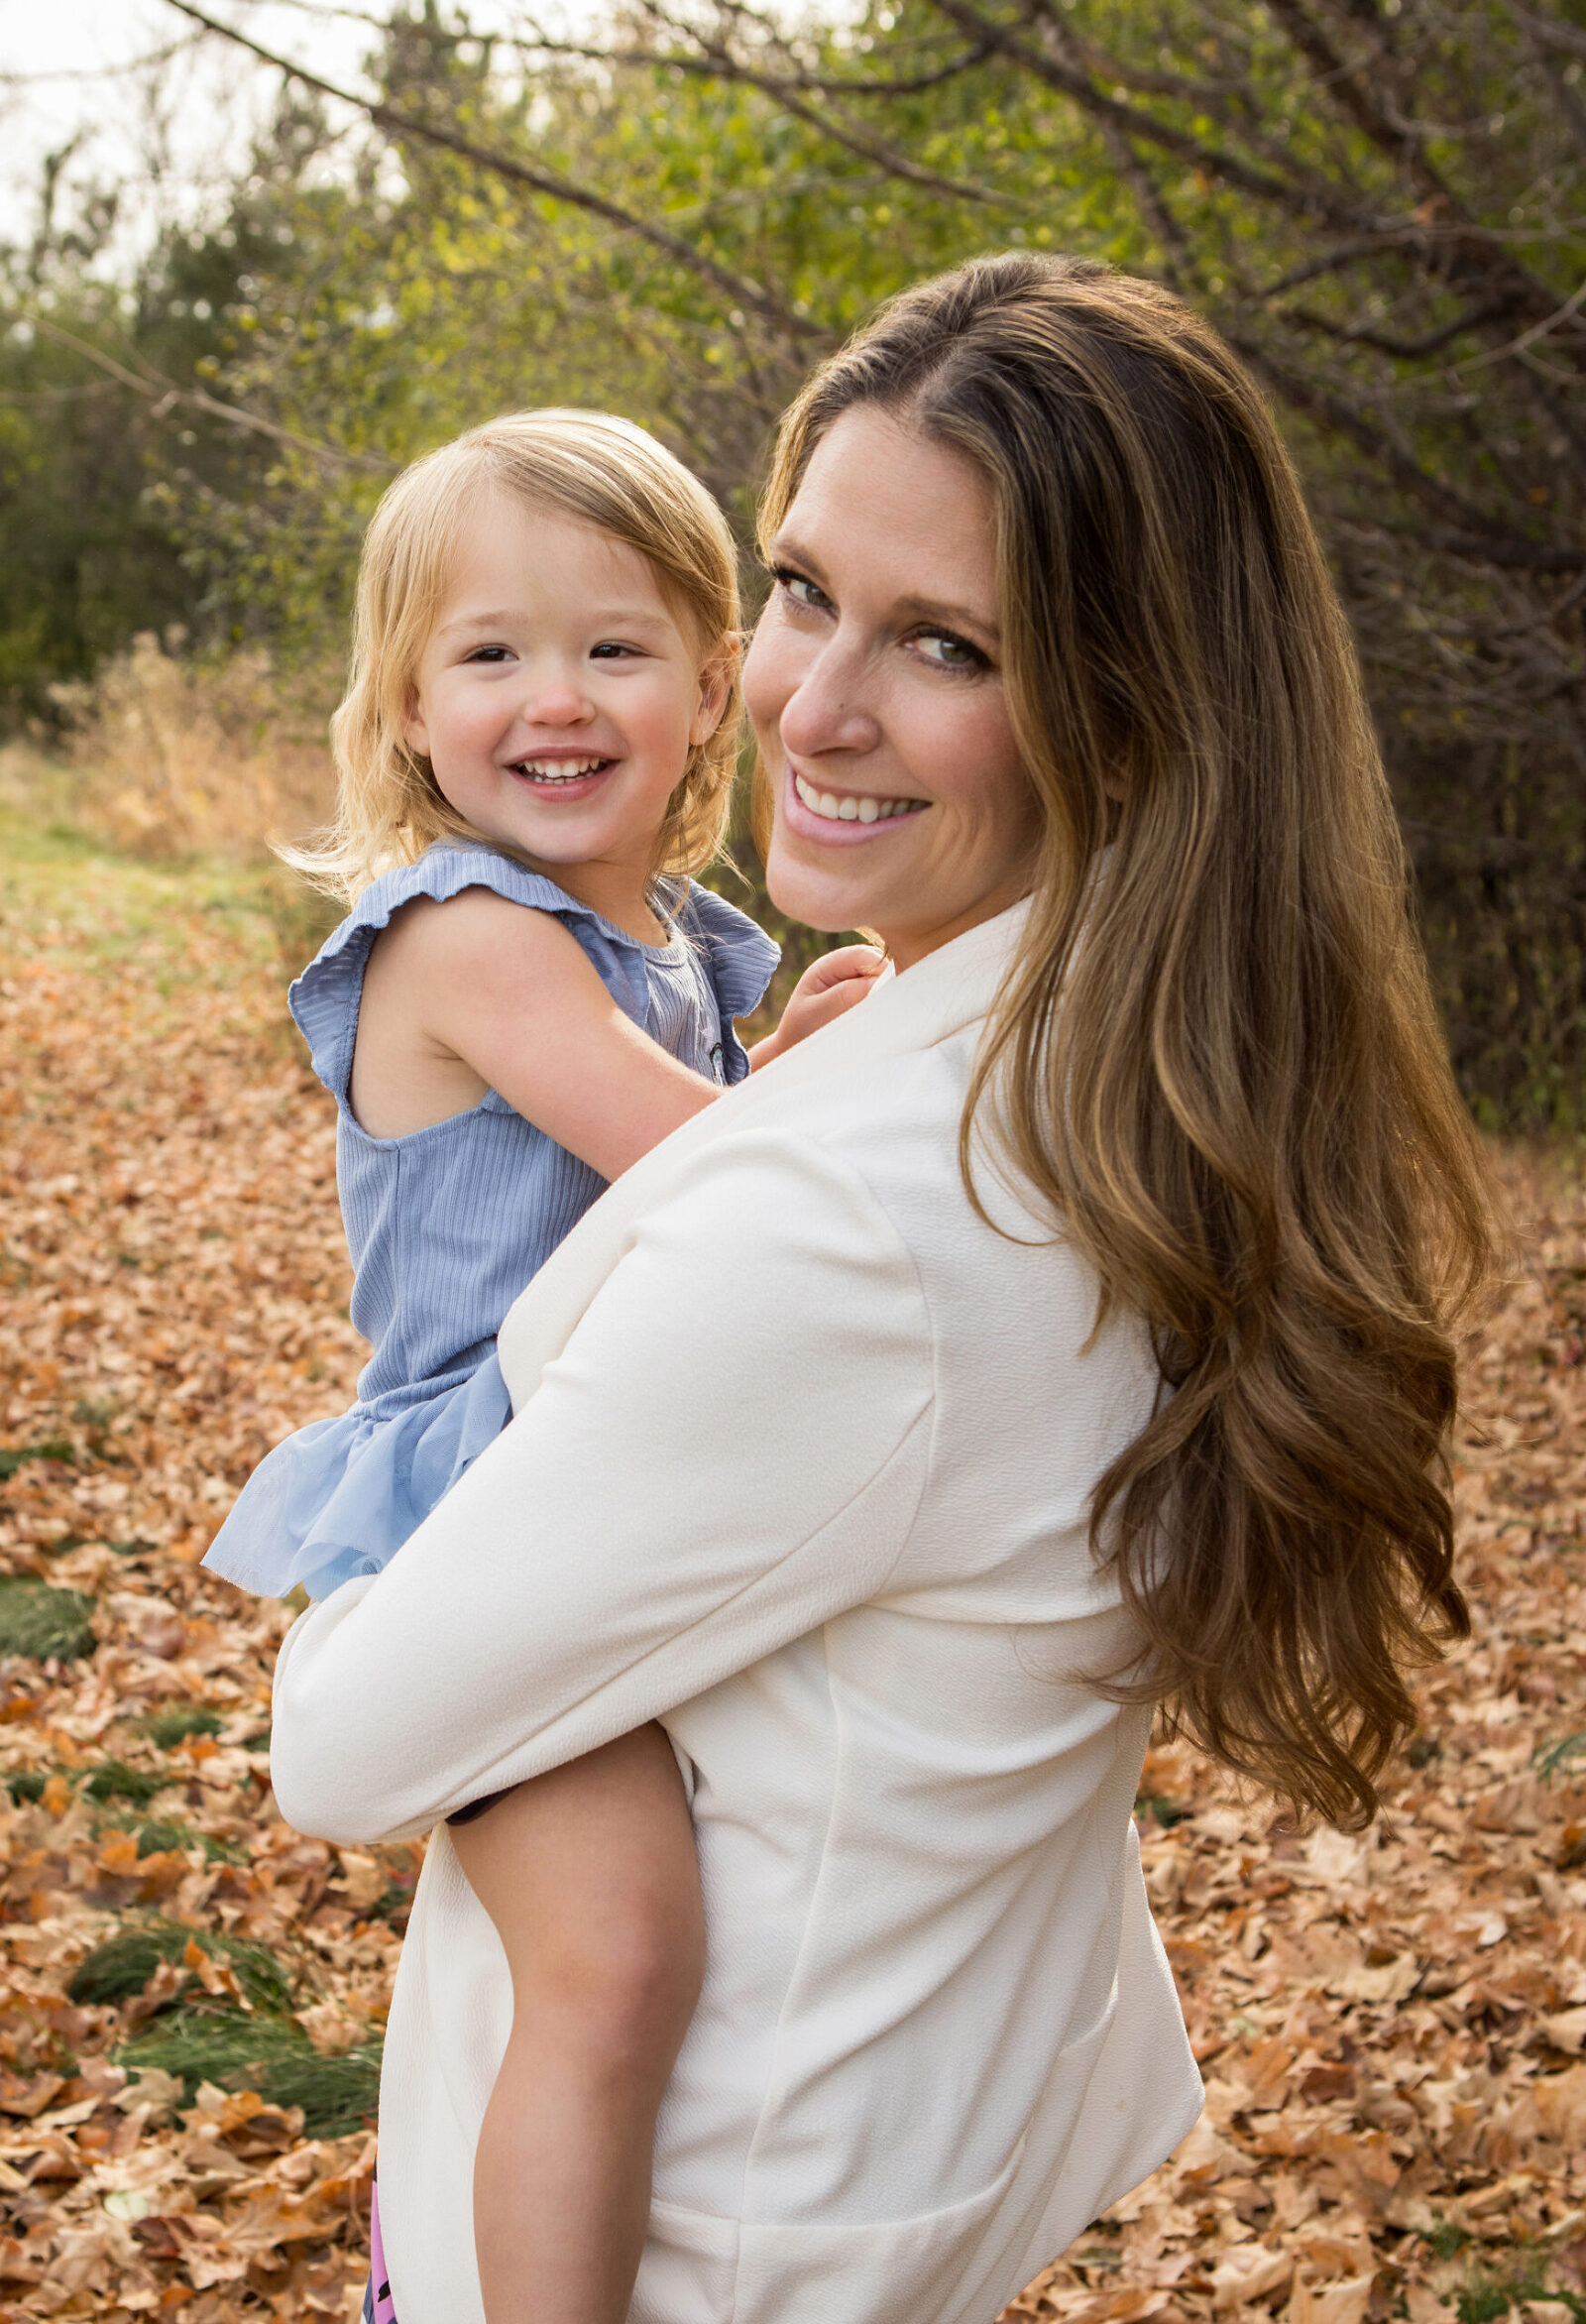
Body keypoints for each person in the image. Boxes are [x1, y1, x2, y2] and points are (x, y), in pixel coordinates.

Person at [269, 256, 1495, 2324]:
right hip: (883, 2168)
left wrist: (369, 1554)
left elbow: (342, 1743)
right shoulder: (1123, 1073)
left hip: (689, 2240)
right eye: (804, 588)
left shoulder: (856, 1221)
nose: (814, 703)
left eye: (942, 641)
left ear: (1130, 697)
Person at [201, 407, 882, 2324]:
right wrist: (824, 1082)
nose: (553, 696)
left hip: (630, 1469)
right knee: (617, 1960)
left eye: (612, 644)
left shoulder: (667, 934)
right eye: (489, 653)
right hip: (485, 1514)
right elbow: (698, 1177)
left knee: (691, 1945)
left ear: (709, 684)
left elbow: (710, 1145)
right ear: (409, 709)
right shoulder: (472, 937)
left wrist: (795, 1042)